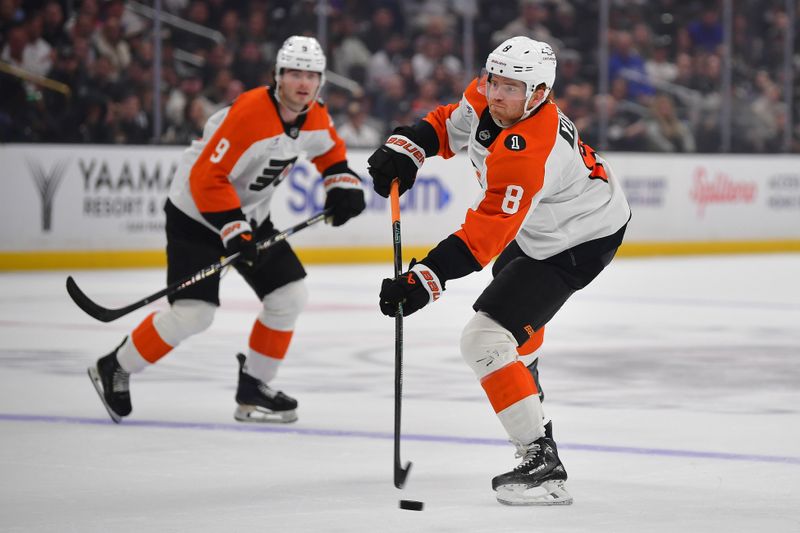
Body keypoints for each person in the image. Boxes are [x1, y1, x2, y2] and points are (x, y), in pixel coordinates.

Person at [367, 36, 630, 505]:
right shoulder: (494, 96)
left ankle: (541, 457)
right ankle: (527, 392)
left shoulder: (529, 151)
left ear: (539, 94)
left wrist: (424, 278)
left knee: (484, 339)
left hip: (577, 241)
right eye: (494, 80)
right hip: (542, 228)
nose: (497, 94)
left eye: (512, 87)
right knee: (511, 332)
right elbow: (454, 122)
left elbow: (485, 236)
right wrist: (410, 147)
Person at [88, 35, 365, 424]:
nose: (303, 82)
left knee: (288, 296)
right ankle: (115, 366)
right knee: (193, 314)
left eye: (312, 75)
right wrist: (233, 231)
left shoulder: (314, 114)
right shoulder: (251, 113)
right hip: (196, 219)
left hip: (250, 217)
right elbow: (206, 178)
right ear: (278, 76)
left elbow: (330, 152)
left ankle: (253, 386)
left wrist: (342, 186)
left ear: (321, 81)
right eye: (294, 73)